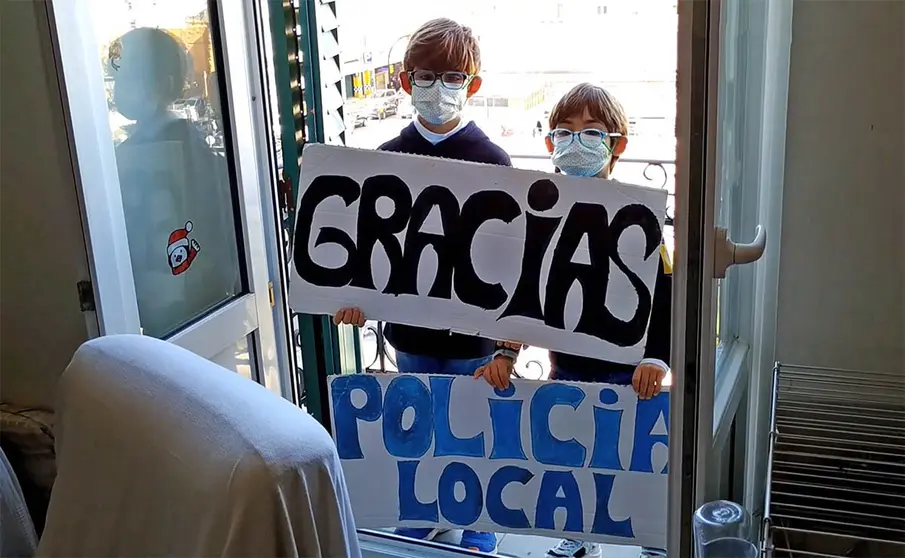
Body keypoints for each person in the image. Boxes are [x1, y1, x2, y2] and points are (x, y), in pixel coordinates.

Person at [332, 17, 516, 554]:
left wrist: (506, 342)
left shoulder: (494, 161)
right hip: (409, 334)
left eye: (452, 76)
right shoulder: (386, 156)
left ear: (473, 84)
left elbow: (508, 263)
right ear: (407, 80)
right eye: (426, 75)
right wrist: (356, 300)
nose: (438, 87)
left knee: (474, 433)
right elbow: (371, 247)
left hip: (473, 339)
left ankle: (478, 526)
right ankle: (422, 516)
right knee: (417, 429)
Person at [475, 83, 672, 558]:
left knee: (631, 456)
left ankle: (647, 534)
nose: (575, 141)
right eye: (564, 132)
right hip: (566, 364)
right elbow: (525, 292)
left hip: (628, 370)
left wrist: (657, 357)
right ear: (550, 144)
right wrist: (506, 351)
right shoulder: (539, 218)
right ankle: (577, 532)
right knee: (571, 453)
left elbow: (664, 297)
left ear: (616, 145)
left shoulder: (640, 219)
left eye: (592, 132)